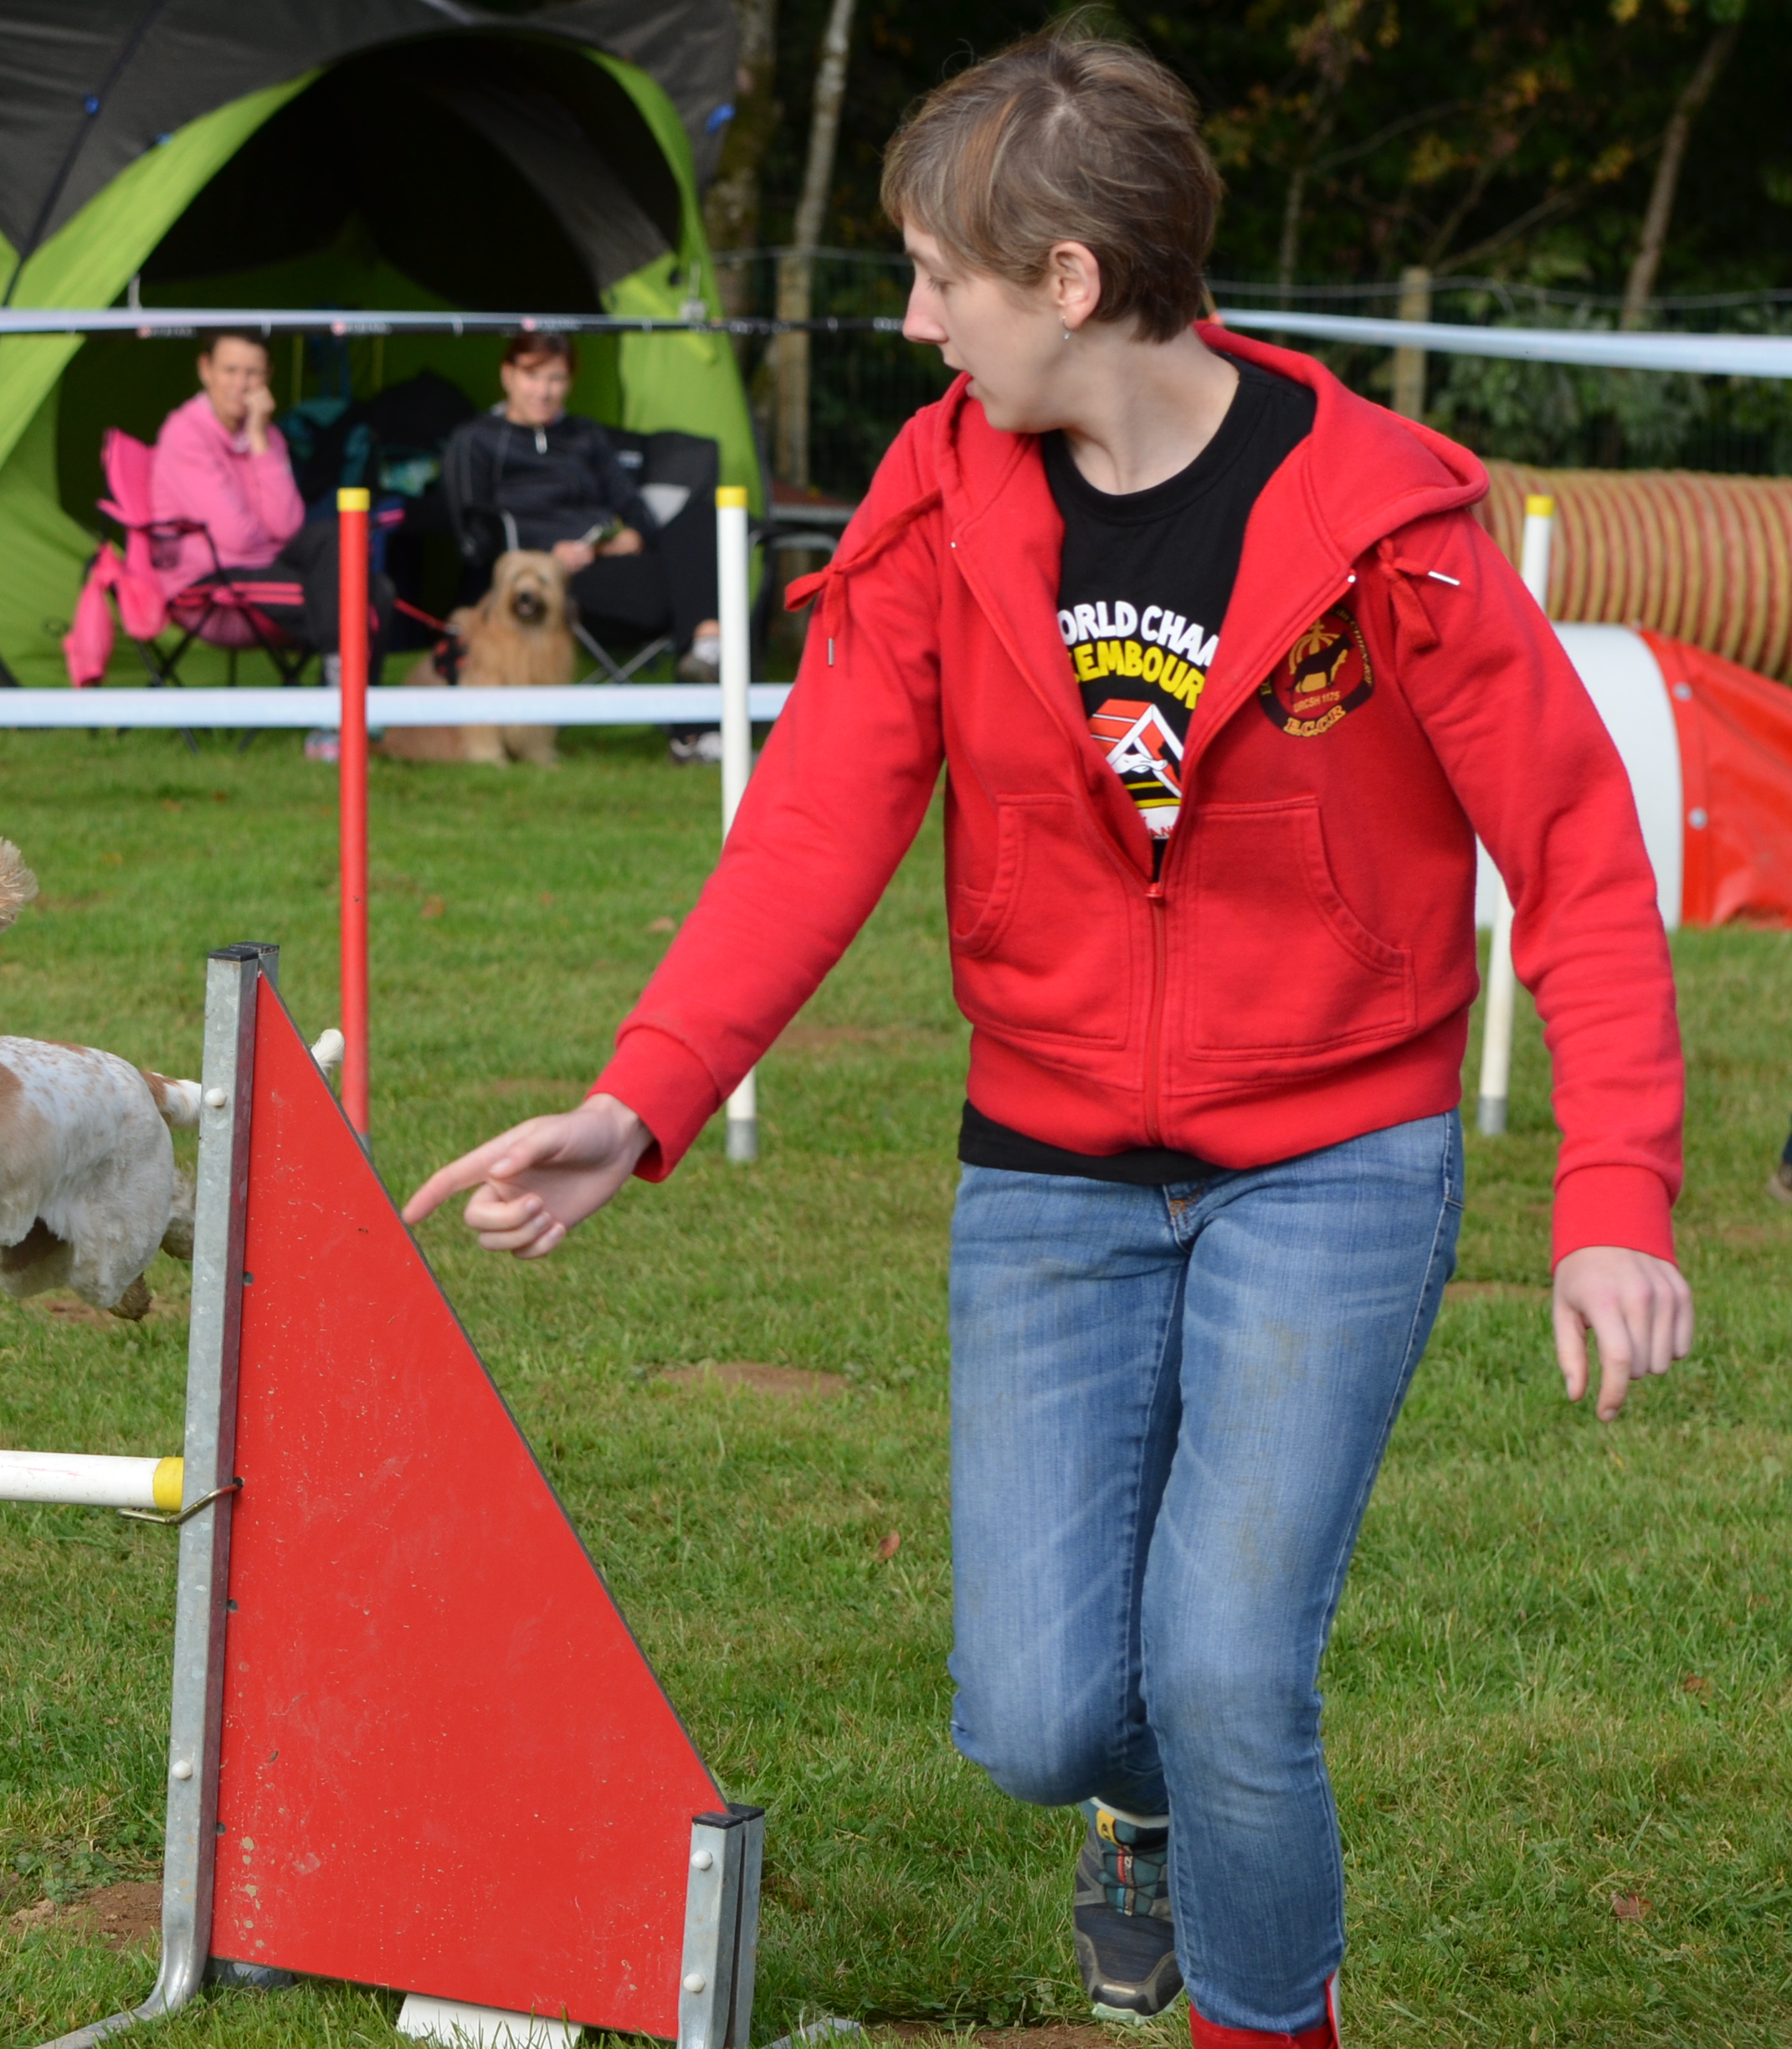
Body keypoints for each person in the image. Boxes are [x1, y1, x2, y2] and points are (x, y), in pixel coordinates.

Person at [404, 31, 1687, 2049]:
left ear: (1072, 281)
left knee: (1233, 1669)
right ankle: (1140, 1812)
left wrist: (1613, 1192)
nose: (917, 324)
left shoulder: (1389, 521)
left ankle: (1265, 2015)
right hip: (1051, 1169)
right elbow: (814, 827)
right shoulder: (938, 500)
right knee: (1037, 1714)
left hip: (1334, 1162)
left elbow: (1584, 859)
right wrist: (641, 1098)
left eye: (941, 279)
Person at [441, 331, 721, 661]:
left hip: (613, 559)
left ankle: (706, 646)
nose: (543, 392)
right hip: (550, 580)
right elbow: (474, 535)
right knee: (699, 587)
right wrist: (548, 555)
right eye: (532, 376)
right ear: (508, 375)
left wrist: (632, 535)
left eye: (556, 379)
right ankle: (710, 649)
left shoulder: (586, 435)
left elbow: (633, 506)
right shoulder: (476, 439)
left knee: (701, 517)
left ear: (570, 383)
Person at [146, 329, 388, 667]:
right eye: (230, 370)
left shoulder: (267, 433)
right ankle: (342, 692)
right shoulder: (185, 433)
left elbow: (288, 527)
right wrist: (286, 554)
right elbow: (235, 538)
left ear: (268, 376)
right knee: (349, 597)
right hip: (207, 583)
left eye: (253, 373)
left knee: (361, 569)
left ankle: (341, 694)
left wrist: (259, 438)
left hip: (262, 568)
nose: (241, 384)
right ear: (205, 370)